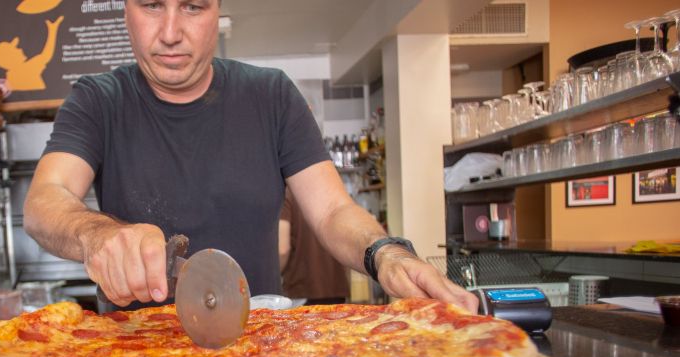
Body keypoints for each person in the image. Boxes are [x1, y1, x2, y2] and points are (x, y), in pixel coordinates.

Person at [24, 0, 477, 313]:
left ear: (218, 11)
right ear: (125, 11)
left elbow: (333, 210)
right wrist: (95, 235)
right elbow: (46, 200)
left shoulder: (272, 95)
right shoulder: (97, 101)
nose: (169, 33)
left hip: (258, 352)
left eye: (193, 7)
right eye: (151, 5)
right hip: (134, 351)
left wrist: (386, 254)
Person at [279, 191, 350, 306]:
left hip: (303, 289)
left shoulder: (287, 196)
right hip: (336, 287)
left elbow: (282, 250)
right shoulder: (331, 194)